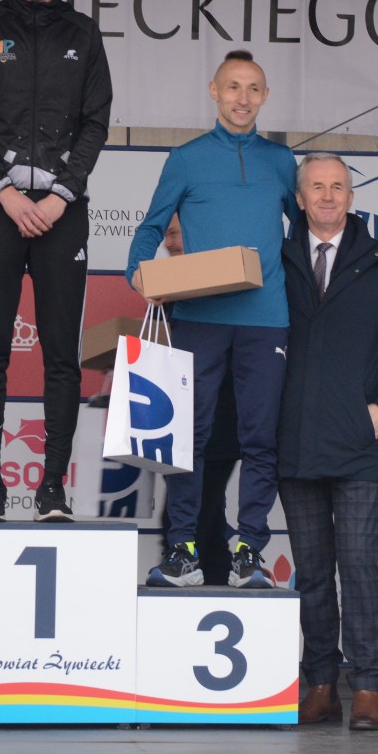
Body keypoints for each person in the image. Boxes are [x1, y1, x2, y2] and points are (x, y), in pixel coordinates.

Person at [0, 0, 113, 522]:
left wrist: (60, 195)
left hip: (60, 212)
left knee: (61, 355)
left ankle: (52, 489)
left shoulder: (83, 31)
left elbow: (96, 121)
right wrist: (5, 192)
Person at [279, 153, 378, 731]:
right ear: (300, 198)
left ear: (351, 197)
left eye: (338, 187)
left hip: (359, 444)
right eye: (316, 186)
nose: (327, 196)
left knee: (358, 566)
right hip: (293, 441)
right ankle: (321, 686)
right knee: (311, 572)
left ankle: (367, 688)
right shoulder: (274, 259)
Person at [126, 49, 297, 588]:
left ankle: (249, 551)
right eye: (233, 87)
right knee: (187, 438)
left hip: (267, 319)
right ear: (214, 92)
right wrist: (139, 273)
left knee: (260, 438)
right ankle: (184, 552)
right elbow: (151, 227)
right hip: (199, 316)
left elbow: (306, 233)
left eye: (253, 88)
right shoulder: (186, 158)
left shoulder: (281, 161)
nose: (243, 98)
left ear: (265, 96)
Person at [161, 214, 241, 584]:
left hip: (219, 423)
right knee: (200, 516)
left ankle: (205, 586)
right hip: (182, 423)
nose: (169, 244)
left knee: (198, 515)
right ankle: (206, 585)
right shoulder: (170, 285)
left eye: (175, 234)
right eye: (166, 236)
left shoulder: (224, 280)